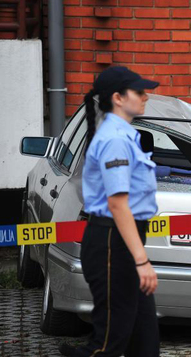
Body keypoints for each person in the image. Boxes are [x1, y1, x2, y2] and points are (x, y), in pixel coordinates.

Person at [59, 66, 161, 357]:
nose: (146, 97)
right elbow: (118, 204)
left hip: (122, 242)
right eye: (139, 91)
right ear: (118, 97)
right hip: (111, 243)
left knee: (145, 342)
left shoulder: (124, 135)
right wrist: (141, 261)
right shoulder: (114, 139)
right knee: (108, 345)